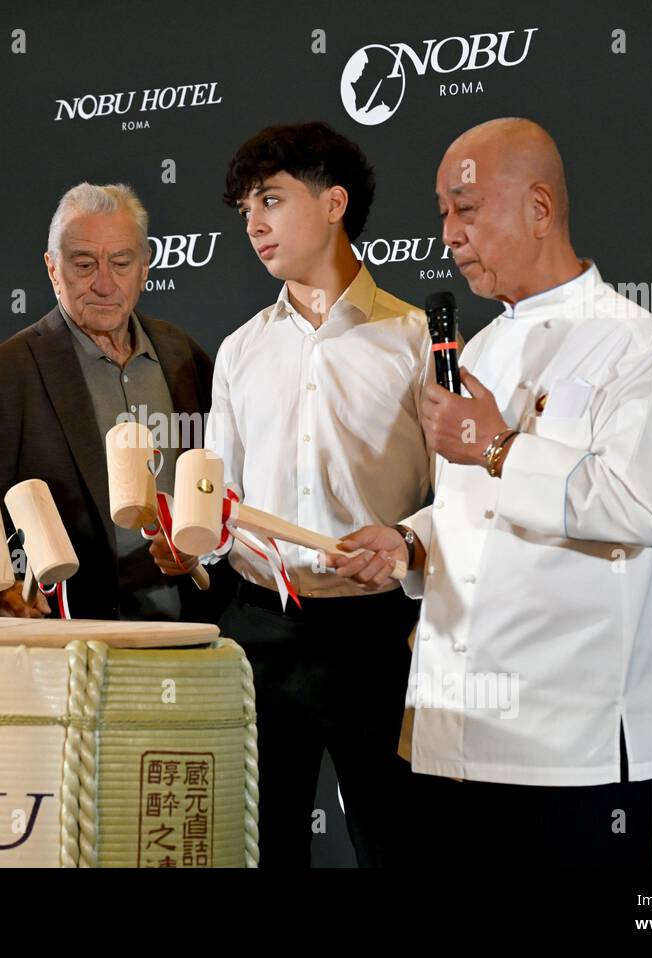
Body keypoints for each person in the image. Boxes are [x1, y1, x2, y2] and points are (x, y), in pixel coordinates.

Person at [329, 118, 652, 866]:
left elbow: (641, 507)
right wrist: (410, 541)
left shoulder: (634, 341)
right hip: (459, 728)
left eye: (466, 208)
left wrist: (496, 447)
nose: (449, 234)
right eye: (441, 213)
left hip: (570, 742)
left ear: (538, 207)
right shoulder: (482, 346)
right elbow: (473, 510)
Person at [200, 122, 433, 867]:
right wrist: (194, 538)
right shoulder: (240, 350)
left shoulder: (415, 338)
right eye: (244, 210)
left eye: (270, 199)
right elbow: (222, 499)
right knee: (259, 850)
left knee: (398, 844)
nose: (254, 224)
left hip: (378, 638)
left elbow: (458, 496)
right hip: (258, 631)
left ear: (334, 203)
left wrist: (405, 540)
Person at [0, 183, 225, 621]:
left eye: (121, 263)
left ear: (145, 267)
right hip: (69, 638)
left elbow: (220, 481)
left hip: (189, 628)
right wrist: (2, 590)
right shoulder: (5, 375)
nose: (104, 284)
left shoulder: (184, 355)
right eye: (84, 264)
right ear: (52, 268)